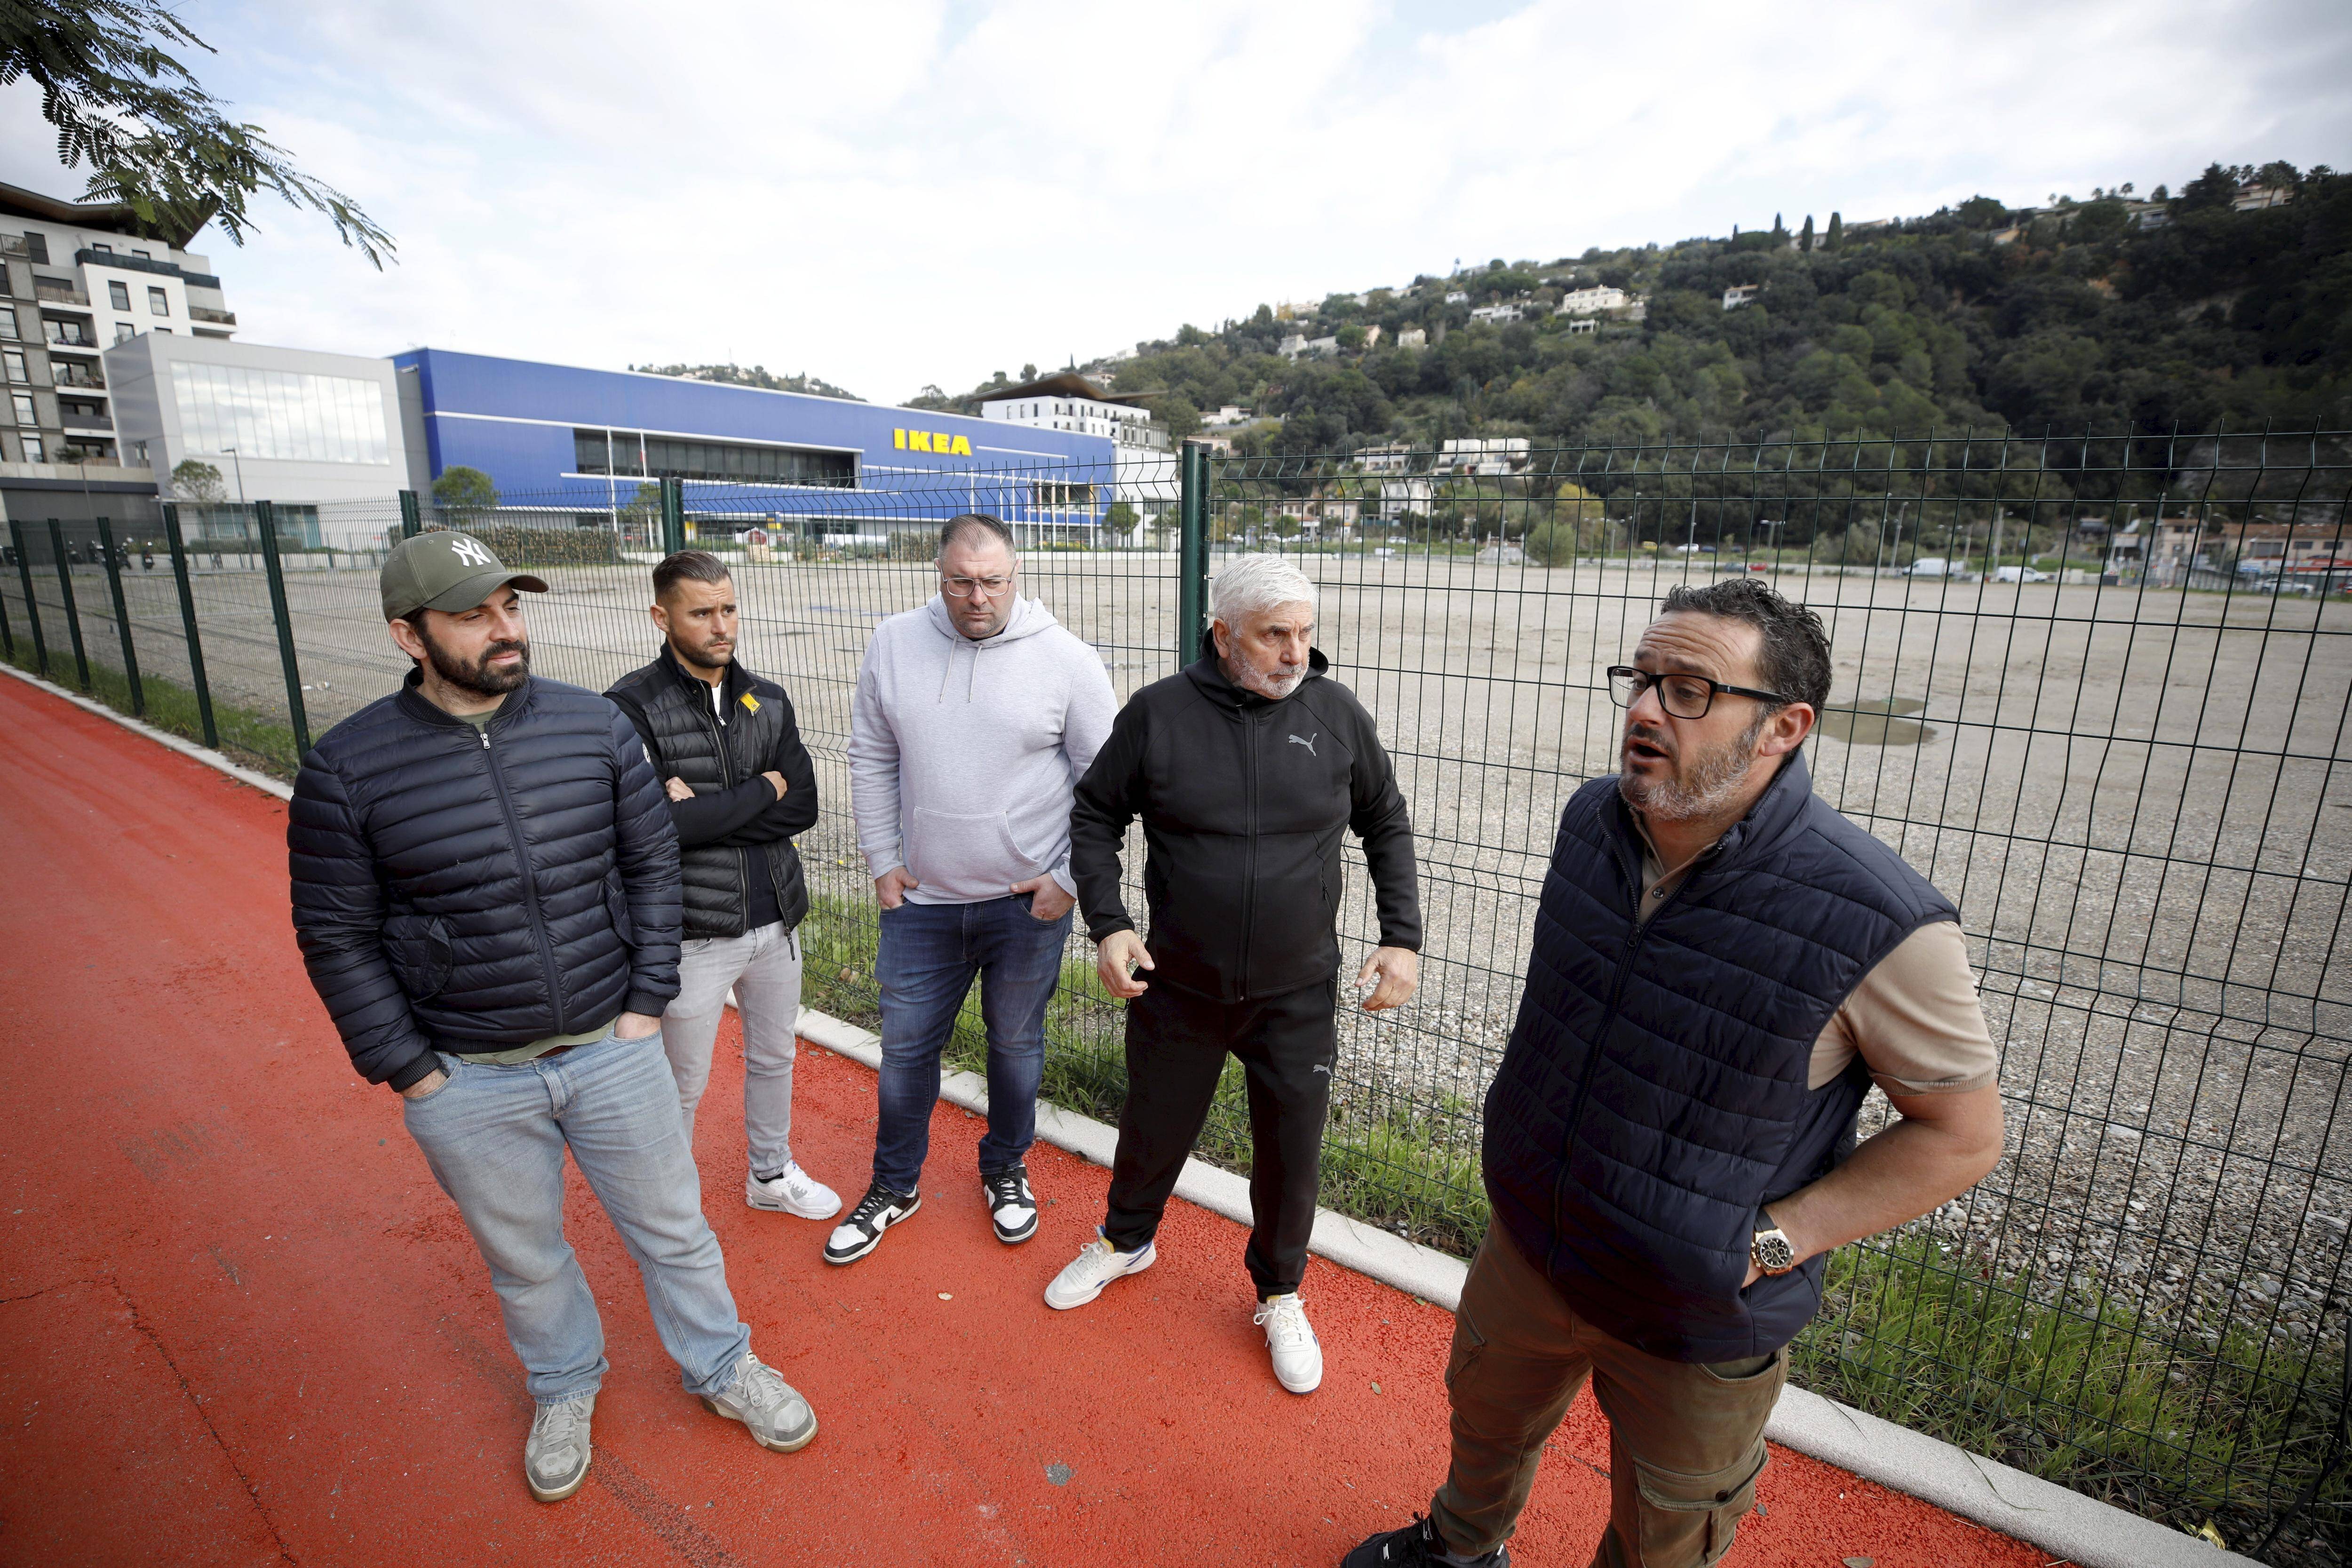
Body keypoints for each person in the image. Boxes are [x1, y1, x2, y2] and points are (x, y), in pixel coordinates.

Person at [1343, 577, 2005, 1568]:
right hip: (1534, 1244)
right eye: (1643, 678)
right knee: (1483, 1423)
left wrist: (1769, 1245)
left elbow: (1964, 1134)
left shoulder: (1877, 918)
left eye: (1690, 689)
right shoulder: (1591, 824)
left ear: (1785, 726)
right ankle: (1460, 1546)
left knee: (1668, 1529)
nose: (1647, 708)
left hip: (1695, 1309)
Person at [288, 530, 818, 1507]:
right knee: (525, 1257)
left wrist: (642, 1003)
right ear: (409, 634)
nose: (504, 630)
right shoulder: (347, 768)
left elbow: (652, 865)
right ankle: (565, 1385)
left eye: (511, 607)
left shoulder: (590, 727)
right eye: (473, 613)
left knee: (676, 1229)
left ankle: (720, 1365)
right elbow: (336, 936)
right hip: (467, 1073)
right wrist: (412, 1070)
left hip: (611, 1046)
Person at [1049, 554, 1422, 1397]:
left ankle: (1281, 1290)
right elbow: (1096, 814)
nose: (1297, 653)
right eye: (1275, 635)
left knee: (1291, 1150)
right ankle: (1125, 1240)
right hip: (1178, 982)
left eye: (1306, 633)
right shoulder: (1159, 715)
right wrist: (1107, 922)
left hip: (1297, 991)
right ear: (1222, 635)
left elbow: (1386, 822)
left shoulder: (1333, 715)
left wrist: (1402, 936)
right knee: (1153, 1124)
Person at [831, 512, 1118, 1264]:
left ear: (1016, 575)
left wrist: (1068, 880)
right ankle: (895, 1183)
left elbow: (1109, 784)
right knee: (904, 1054)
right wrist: (881, 858)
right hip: (922, 902)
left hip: (1026, 907)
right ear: (939, 574)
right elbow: (870, 756)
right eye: (960, 581)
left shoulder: (1067, 660)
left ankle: (1006, 1168)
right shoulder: (894, 642)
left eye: (992, 581)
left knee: (1016, 1045)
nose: (977, 597)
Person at [605, 549, 837, 1222]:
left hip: (775, 920)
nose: (721, 625)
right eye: (702, 612)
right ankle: (668, 1209)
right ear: (662, 615)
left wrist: (705, 810)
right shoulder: (628, 707)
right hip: (690, 932)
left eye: (728, 609)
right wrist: (761, 791)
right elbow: (652, 829)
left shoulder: (767, 698)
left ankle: (769, 1173)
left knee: (774, 1057)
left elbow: (805, 808)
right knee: (680, 1084)